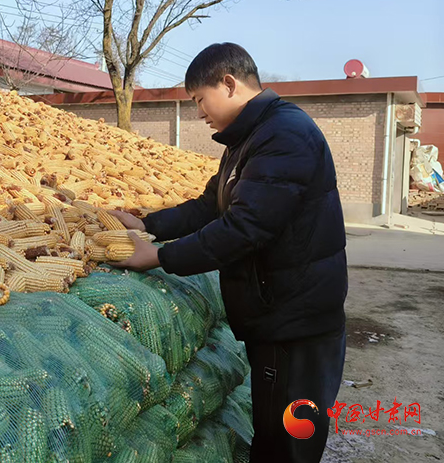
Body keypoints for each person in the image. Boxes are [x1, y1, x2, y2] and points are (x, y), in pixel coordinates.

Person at [110, 43, 347, 463]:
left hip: (296, 323)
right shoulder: (249, 139)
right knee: (272, 431)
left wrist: (161, 258)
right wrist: (148, 224)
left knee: (288, 443)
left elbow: (245, 228)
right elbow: (210, 207)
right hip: (280, 316)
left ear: (229, 83)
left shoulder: (284, 135)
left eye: (200, 100)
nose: (200, 112)